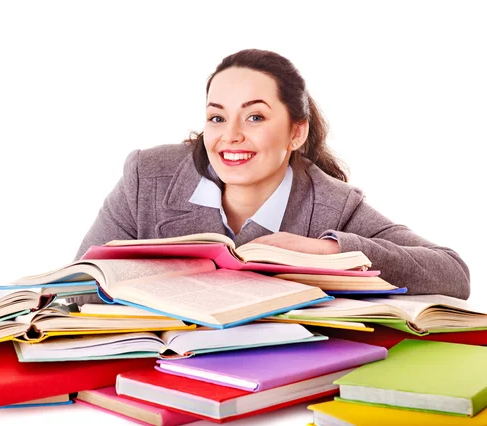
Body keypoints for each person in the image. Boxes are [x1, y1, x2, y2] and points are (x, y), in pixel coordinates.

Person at [71, 49, 470, 305]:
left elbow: (452, 272)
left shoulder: (332, 204)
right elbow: (76, 286)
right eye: (217, 117)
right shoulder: (148, 177)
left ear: (296, 132)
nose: (231, 135)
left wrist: (329, 252)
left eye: (255, 116)